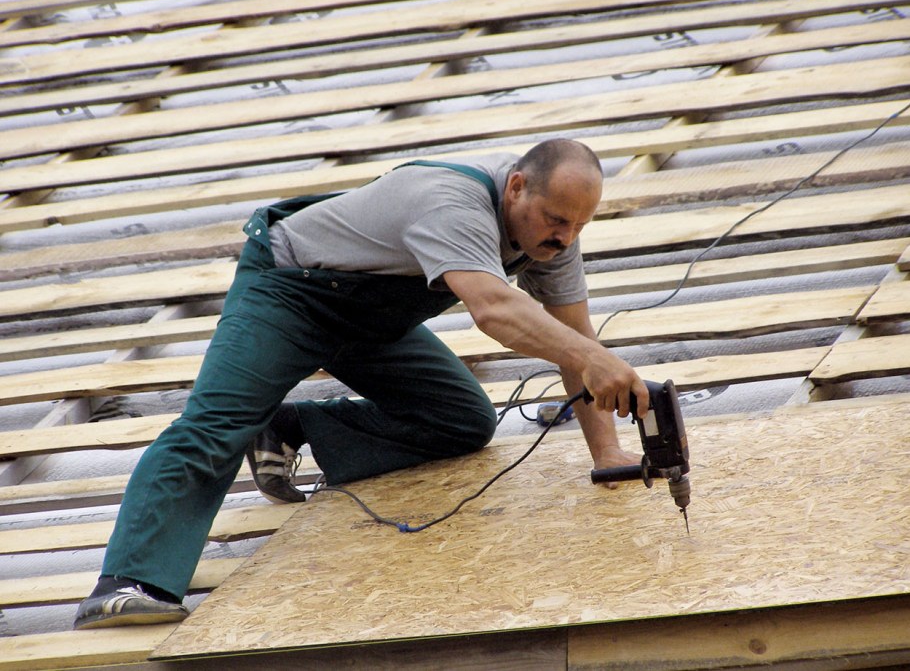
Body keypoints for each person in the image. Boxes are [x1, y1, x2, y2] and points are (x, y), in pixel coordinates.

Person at [73, 138, 648, 629]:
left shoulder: (550, 235)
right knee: (219, 422)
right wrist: (593, 359)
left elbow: (578, 341)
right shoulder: (452, 201)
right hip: (291, 291)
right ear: (517, 187)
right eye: (556, 220)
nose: (566, 238)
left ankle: (292, 425)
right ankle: (129, 583)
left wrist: (609, 452)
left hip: (370, 317)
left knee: (462, 420)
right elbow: (495, 310)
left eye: (579, 225)